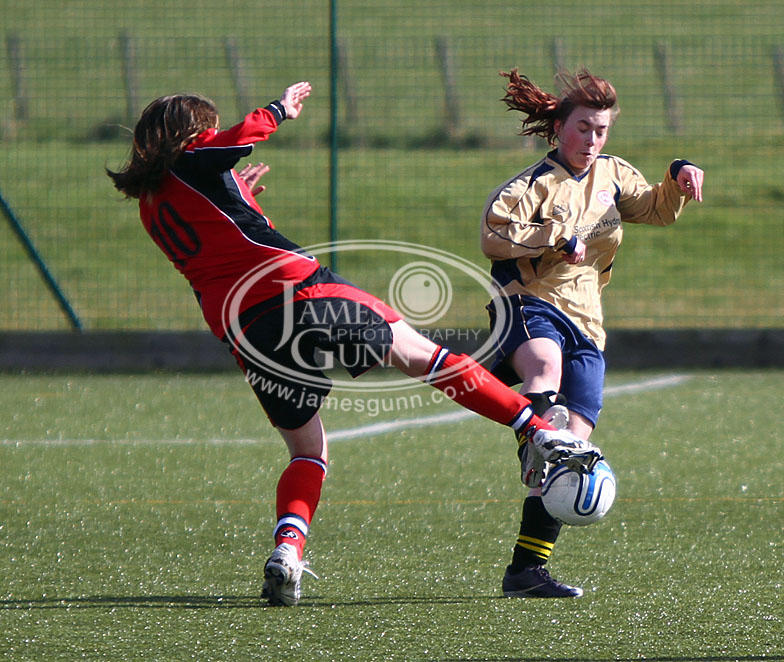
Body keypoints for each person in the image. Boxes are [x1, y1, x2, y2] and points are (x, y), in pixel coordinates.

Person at [107, 81, 599, 606]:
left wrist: (240, 192)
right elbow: (232, 141)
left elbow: (221, 233)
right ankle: (540, 431)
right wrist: (279, 109)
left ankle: (288, 550)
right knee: (422, 356)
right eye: (205, 129)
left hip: (247, 333)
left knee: (308, 451)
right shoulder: (197, 159)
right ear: (189, 135)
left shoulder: (154, 205)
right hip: (300, 291)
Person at [481, 68, 704, 598]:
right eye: (583, 128)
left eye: (601, 130)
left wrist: (678, 175)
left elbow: (653, 210)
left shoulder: (612, 175)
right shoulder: (534, 184)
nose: (592, 139)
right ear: (559, 127)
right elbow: (493, 235)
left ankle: (526, 571)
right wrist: (555, 237)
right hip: (528, 302)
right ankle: (531, 435)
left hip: (588, 320)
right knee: (543, 371)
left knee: (572, 452)